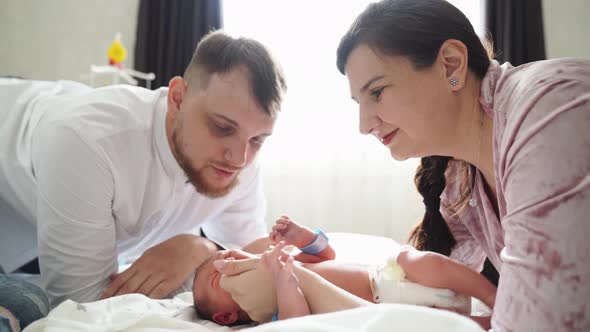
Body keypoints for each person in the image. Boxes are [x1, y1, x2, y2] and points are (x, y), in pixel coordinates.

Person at [213, 1, 590, 331]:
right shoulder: (461, 184)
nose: (364, 125)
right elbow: (446, 311)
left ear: (450, 64)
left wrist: (304, 283)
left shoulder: (547, 113)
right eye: (358, 102)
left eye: (377, 92)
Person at [0, 30, 287, 308]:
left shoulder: (242, 157)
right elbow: (80, 306)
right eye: (222, 127)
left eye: (259, 139)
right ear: (177, 98)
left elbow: (247, 264)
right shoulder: (88, 142)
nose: (239, 158)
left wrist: (202, 248)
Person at [192, 216, 496, 326]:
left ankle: (493, 296)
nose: (228, 259)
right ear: (225, 317)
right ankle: (488, 323)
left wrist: (302, 237)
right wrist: (285, 284)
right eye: (217, 274)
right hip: (382, 306)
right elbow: (296, 321)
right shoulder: (269, 312)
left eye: (228, 255)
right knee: (441, 324)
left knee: (411, 258)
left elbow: (326, 254)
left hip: (389, 277)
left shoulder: (287, 260)